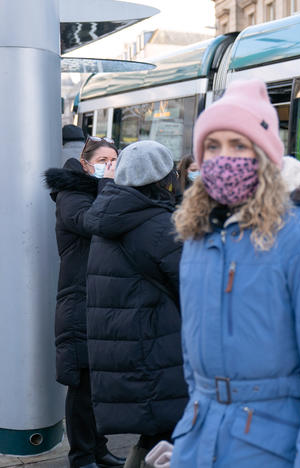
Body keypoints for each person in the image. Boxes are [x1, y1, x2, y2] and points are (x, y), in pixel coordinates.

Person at [170, 79, 300, 467]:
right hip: (199, 438)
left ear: (264, 155)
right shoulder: (197, 233)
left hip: (270, 444)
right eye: (213, 146)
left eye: (239, 145)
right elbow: (191, 347)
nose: (224, 158)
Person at [83, 141, 188, 468]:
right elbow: (191, 290)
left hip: (127, 350)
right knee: (170, 434)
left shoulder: (110, 216)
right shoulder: (158, 225)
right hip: (156, 349)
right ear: (163, 179)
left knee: (155, 435)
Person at [44, 137, 124, 468]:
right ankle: (81, 455)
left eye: (115, 159)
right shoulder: (72, 194)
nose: (110, 164)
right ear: (85, 162)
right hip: (79, 299)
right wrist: (107, 183)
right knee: (81, 384)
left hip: (101, 299)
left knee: (99, 382)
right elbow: (91, 222)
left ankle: (98, 448)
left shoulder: (105, 192)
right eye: (104, 159)